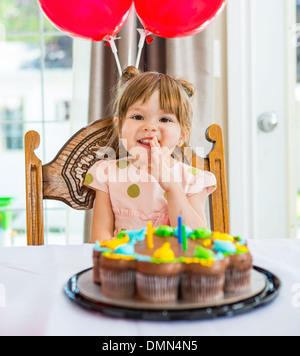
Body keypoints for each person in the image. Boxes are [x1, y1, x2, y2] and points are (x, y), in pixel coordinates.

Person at [84, 66, 216, 242]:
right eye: (138, 117)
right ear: (119, 126)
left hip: (173, 266)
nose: (150, 126)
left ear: (182, 135)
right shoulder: (107, 174)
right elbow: (100, 235)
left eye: (164, 119)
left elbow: (194, 238)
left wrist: (171, 186)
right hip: (124, 263)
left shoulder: (191, 179)